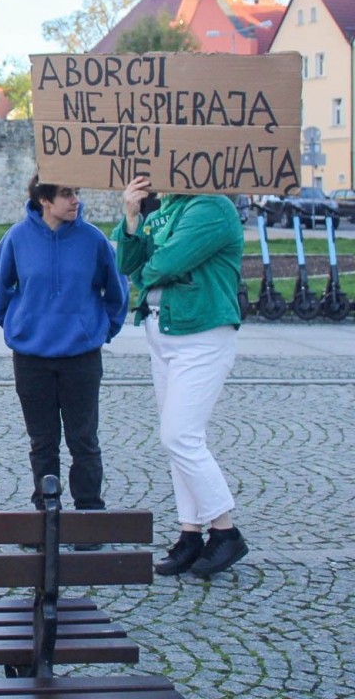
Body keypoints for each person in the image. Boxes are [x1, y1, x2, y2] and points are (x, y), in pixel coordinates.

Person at [113, 176, 249, 578]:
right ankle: (191, 534)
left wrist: (148, 264)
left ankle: (225, 531)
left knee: (179, 436)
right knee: (180, 443)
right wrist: (131, 218)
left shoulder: (212, 207)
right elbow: (127, 264)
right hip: (165, 332)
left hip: (202, 333)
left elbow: (164, 264)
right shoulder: (167, 207)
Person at [0, 176, 128, 544]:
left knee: (84, 440)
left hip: (81, 358)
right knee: (42, 442)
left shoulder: (93, 240)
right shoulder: (17, 239)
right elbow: (2, 293)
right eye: (67, 194)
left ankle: (88, 518)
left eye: (77, 192)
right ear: (43, 200)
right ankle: (45, 519)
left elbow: (116, 291)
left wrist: (99, 331)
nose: (76, 201)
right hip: (32, 358)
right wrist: (20, 328)